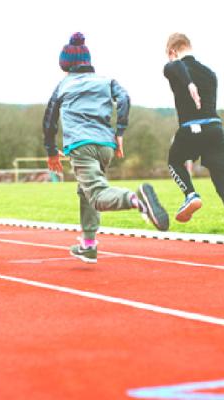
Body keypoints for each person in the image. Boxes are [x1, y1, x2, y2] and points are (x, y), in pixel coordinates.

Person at [43, 32, 169, 263]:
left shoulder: (63, 85)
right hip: (105, 147)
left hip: (81, 145)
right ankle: (88, 244)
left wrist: (51, 151)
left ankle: (137, 200)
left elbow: (49, 120)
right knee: (86, 191)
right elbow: (124, 99)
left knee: (97, 194)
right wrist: (120, 131)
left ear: (65, 64)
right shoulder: (106, 80)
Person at [164, 33, 224, 256]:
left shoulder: (174, 67)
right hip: (215, 130)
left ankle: (191, 194)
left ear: (173, 52)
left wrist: (188, 82)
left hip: (191, 128)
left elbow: (176, 68)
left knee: (173, 161)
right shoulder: (210, 73)